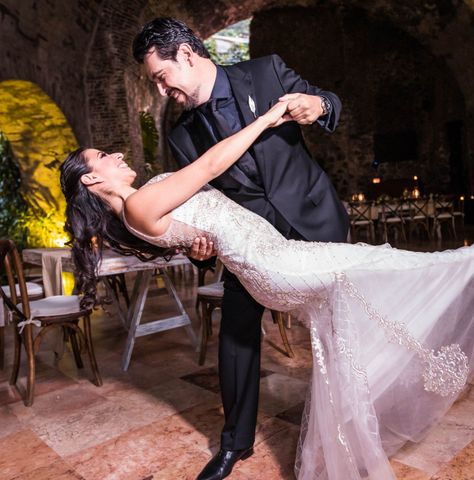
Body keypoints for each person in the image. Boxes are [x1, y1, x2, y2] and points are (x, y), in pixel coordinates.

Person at [60, 100, 474, 480]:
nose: (116, 155)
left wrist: (201, 246)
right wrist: (263, 120)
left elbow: (198, 233)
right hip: (274, 264)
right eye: (104, 156)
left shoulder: (137, 209)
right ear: (91, 179)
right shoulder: (138, 205)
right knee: (376, 262)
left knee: (342, 334)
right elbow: (211, 164)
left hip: (272, 260)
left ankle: (345, 444)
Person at [131, 17, 349, 480]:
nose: (161, 90)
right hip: (252, 243)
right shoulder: (181, 134)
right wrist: (200, 248)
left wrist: (317, 104)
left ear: (186, 55)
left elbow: (330, 103)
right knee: (235, 332)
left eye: (160, 77)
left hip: (316, 219)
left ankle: (347, 426)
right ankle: (235, 445)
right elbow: (200, 204)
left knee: (339, 328)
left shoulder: (266, 72)